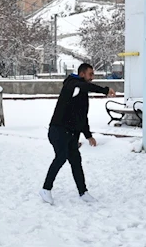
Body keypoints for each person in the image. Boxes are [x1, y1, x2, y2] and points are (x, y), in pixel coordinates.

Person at [41, 63, 116, 205]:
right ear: (82, 74)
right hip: (58, 130)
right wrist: (105, 90)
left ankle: (83, 192)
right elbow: (84, 86)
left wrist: (88, 135)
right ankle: (45, 189)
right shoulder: (72, 84)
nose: (92, 77)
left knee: (76, 161)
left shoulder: (81, 92)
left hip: (72, 133)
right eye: (90, 74)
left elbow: (82, 117)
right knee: (61, 156)